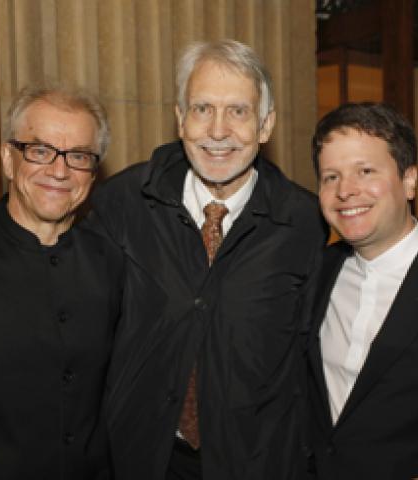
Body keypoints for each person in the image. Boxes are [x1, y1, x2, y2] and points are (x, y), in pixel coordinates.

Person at [89, 39, 327, 480]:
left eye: (238, 111)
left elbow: (314, 362)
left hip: (255, 463)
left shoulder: (305, 223)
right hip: (143, 459)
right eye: (202, 109)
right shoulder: (123, 202)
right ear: (180, 119)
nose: (218, 131)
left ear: (266, 125)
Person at [0, 86, 123, 479]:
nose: (59, 171)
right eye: (40, 151)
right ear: (8, 158)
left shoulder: (114, 263)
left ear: (93, 171)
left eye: (78, 156)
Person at [306, 101, 418, 479]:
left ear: (409, 180)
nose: (345, 191)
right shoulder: (314, 272)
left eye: (365, 171)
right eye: (330, 177)